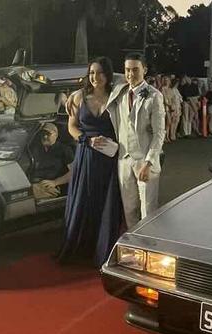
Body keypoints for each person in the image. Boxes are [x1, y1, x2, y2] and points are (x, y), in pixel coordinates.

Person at [58, 57, 123, 266]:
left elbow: (127, 79)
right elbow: (72, 127)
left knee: (105, 203)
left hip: (108, 159)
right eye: (92, 73)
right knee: (83, 201)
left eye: (101, 73)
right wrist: (86, 139)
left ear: (108, 75)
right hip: (86, 154)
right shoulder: (78, 98)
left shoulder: (117, 96)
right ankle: (79, 248)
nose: (96, 77)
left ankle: (102, 250)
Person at [106, 52, 165, 229]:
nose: (130, 74)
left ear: (144, 70)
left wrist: (149, 162)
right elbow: (96, 84)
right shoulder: (120, 92)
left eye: (135, 70)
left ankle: (150, 246)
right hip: (124, 160)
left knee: (148, 208)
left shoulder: (154, 96)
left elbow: (159, 133)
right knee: (129, 209)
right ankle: (134, 248)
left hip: (144, 160)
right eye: (127, 70)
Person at [31, 122, 74, 200]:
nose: (45, 136)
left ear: (56, 135)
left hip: (51, 187)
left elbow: (74, 172)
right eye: (43, 133)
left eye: (48, 134)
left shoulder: (64, 150)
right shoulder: (35, 149)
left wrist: (55, 182)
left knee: (26, 195)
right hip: (35, 183)